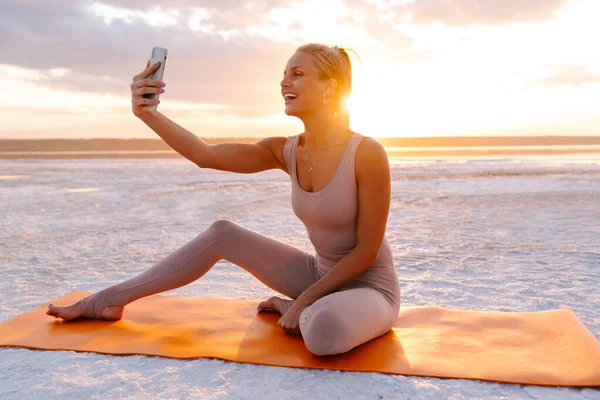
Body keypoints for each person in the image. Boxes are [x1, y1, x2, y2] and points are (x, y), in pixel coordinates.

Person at [46, 43, 401, 357]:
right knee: (222, 233)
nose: (284, 83)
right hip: (318, 276)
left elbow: (366, 251)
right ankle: (105, 301)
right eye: (283, 74)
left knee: (324, 334)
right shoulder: (285, 150)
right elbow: (206, 154)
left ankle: (305, 308)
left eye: (297, 74)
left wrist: (304, 301)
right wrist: (148, 113)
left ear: (329, 86)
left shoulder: (366, 153)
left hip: (370, 288)